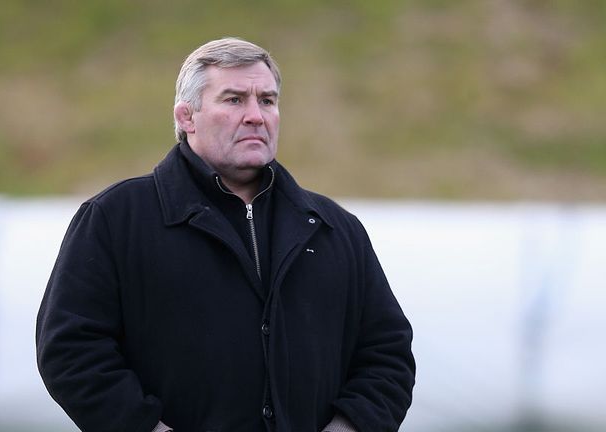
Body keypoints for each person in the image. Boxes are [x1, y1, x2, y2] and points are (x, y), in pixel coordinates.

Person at [36, 37, 415, 432]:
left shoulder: (335, 229)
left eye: (267, 101)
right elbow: (71, 350)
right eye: (234, 100)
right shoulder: (116, 219)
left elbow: (387, 355)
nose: (256, 115)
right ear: (187, 117)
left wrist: (349, 427)